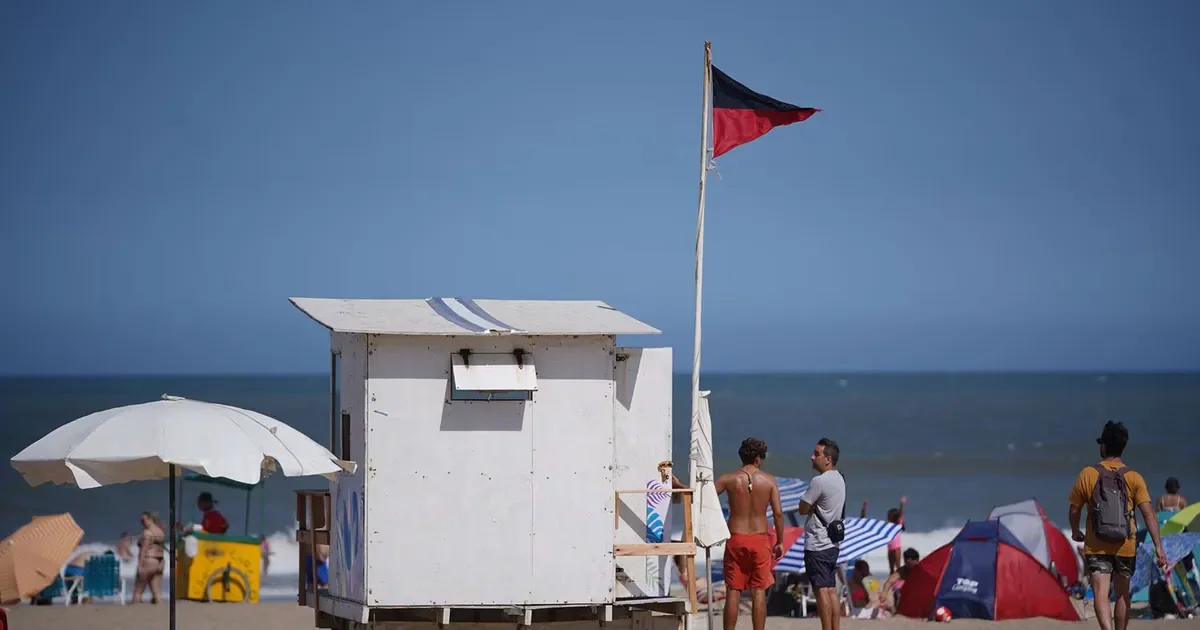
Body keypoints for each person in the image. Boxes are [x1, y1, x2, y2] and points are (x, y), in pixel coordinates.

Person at [1069, 421, 1168, 630]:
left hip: (1097, 544)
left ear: (1103, 446)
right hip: (1125, 543)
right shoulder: (1134, 477)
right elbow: (1149, 514)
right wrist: (1158, 546)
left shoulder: (1088, 473)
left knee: (1101, 594)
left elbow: (1075, 509)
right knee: (1122, 595)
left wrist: (1076, 531)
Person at [714, 437, 784, 630]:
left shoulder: (727, 479)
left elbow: (704, 498)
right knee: (758, 591)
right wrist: (780, 541)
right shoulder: (769, 481)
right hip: (760, 540)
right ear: (758, 459)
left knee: (733, 591)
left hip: (736, 538)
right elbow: (778, 513)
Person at [797, 438, 846, 630]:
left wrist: (813, 505)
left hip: (818, 541)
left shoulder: (819, 481)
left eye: (816, 454)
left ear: (827, 459)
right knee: (831, 589)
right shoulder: (840, 478)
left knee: (821, 591)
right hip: (833, 543)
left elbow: (802, 508)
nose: (812, 457)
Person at [132, 511, 166, 604]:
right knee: (157, 592)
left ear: (150, 519)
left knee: (138, 591)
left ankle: (132, 611)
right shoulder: (160, 532)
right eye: (141, 520)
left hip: (149, 560)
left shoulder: (147, 533)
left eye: (144, 520)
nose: (142, 522)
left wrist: (140, 565)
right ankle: (160, 611)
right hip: (159, 562)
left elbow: (143, 550)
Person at [878, 548, 920, 613]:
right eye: (907, 563)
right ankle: (898, 611)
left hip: (919, 593)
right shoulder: (902, 570)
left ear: (917, 560)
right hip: (908, 593)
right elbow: (889, 582)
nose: (911, 566)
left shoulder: (921, 569)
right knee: (897, 592)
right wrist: (884, 592)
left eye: (913, 562)